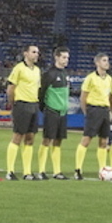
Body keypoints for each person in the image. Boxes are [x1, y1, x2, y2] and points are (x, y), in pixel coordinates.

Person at [5, 43, 42, 180]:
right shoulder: (19, 68)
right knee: (17, 137)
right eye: (33, 52)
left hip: (33, 105)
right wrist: (13, 104)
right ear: (25, 53)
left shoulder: (37, 70)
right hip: (21, 104)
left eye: (37, 52)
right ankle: (10, 171)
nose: (36, 54)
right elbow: (10, 88)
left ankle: (27, 172)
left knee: (30, 138)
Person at [76, 52, 112, 179]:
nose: (106, 63)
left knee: (104, 141)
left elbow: (109, 97)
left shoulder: (109, 79)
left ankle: (102, 170)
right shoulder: (90, 78)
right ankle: (78, 169)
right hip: (93, 109)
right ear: (97, 63)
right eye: (104, 60)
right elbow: (83, 98)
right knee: (87, 139)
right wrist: (87, 112)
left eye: (107, 60)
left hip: (104, 110)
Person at [37, 46, 72, 179]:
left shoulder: (65, 74)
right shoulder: (49, 74)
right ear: (56, 57)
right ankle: (41, 171)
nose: (66, 60)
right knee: (47, 139)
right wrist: (44, 108)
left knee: (58, 141)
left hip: (62, 112)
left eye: (67, 58)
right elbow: (42, 93)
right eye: (63, 57)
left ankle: (57, 171)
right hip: (51, 111)